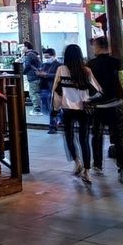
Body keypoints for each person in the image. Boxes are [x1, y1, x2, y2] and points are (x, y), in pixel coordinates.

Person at [52, 44, 101, 184]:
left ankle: (77, 161)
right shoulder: (86, 71)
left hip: (67, 109)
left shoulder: (61, 69)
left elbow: (56, 91)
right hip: (84, 110)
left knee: (69, 137)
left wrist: (55, 109)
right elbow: (97, 91)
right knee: (84, 139)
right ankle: (87, 171)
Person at [87, 36, 123, 183]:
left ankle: (98, 165)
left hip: (98, 106)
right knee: (118, 138)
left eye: (94, 46)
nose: (93, 48)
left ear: (98, 47)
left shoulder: (91, 65)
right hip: (115, 105)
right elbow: (122, 83)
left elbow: (89, 87)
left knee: (97, 136)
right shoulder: (116, 63)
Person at [37, 48, 60, 131]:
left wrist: (46, 75)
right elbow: (40, 72)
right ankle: (57, 121)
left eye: (48, 57)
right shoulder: (44, 64)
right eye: (45, 57)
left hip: (52, 88)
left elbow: (58, 76)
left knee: (52, 108)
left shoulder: (58, 65)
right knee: (45, 108)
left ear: (53, 56)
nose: (46, 59)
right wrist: (39, 74)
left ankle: (52, 126)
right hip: (43, 88)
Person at [21, 41, 42, 116]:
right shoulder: (34, 54)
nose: (22, 48)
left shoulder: (29, 55)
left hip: (33, 76)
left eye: (22, 47)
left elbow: (27, 65)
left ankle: (37, 110)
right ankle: (37, 109)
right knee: (35, 92)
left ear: (26, 47)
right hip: (36, 76)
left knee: (33, 93)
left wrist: (22, 72)